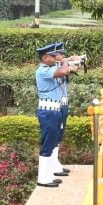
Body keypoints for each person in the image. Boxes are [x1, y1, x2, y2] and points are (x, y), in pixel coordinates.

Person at [35, 42, 78, 187]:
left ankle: (49, 172)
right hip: (48, 111)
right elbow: (63, 71)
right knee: (47, 143)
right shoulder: (43, 71)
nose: (56, 58)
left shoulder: (51, 67)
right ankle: (43, 177)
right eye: (53, 56)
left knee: (54, 139)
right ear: (45, 58)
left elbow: (68, 70)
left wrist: (72, 63)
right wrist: (66, 62)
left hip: (55, 110)